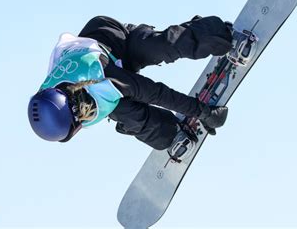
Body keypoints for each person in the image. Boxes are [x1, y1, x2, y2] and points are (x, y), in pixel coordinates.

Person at [28, 15, 233, 151]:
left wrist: (203, 112)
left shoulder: (99, 75)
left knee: (165, 46)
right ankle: (170, 134)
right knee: (131, 116)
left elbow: (155, 93)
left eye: (77, 121)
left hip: (119, 42)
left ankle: (220, 34)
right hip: (94, 82)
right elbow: (49, 110)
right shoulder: (50, 99)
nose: (82, 125)